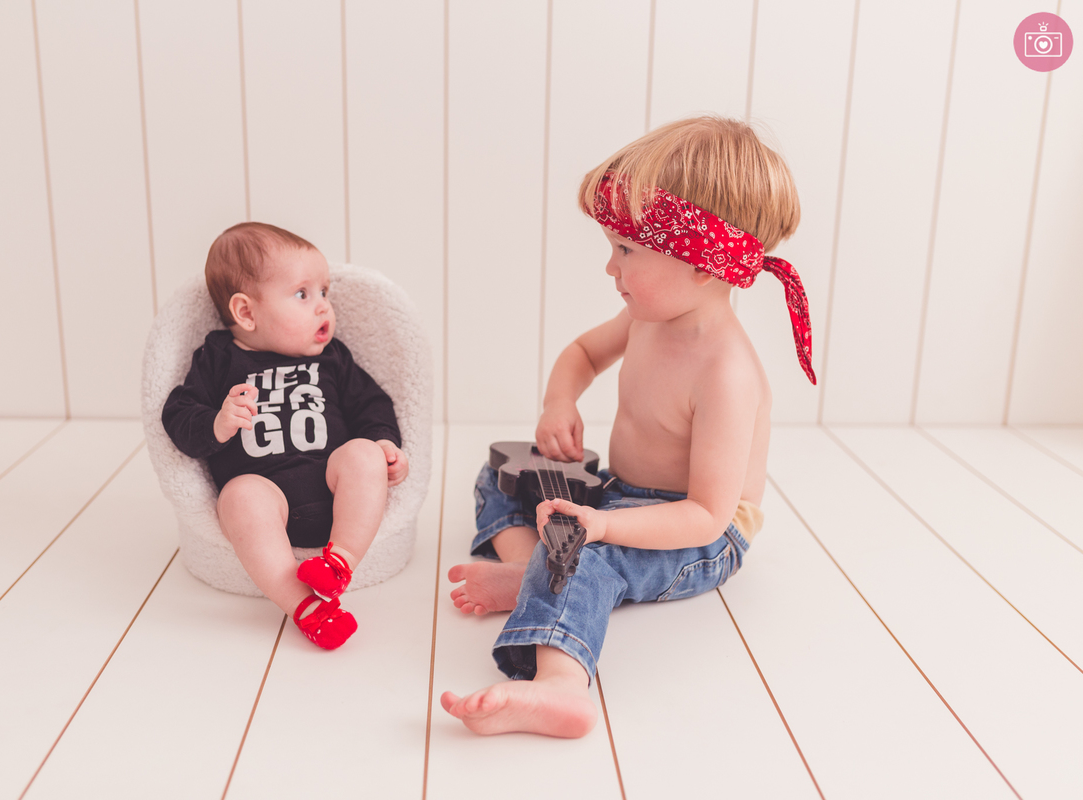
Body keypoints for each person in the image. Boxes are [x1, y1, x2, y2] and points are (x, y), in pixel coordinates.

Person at [441, 116, 814, 737]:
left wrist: (606, 526)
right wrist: (559, 402)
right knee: (504, 473)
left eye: (626, 251)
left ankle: (561, 686)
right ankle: (537, 569)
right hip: (621, 493)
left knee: (590, 554)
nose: (610, 269)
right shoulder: (648, 318)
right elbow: (582, 355)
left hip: (696, 534)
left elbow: (707, 515)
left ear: (702, 264)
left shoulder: (726, 372)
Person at [162, 222, 408, 650]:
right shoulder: (218, 357)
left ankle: (339, 563)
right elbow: (177, 416)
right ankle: (307, 608)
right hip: (266, 500)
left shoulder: (332, 358)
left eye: (325, 293)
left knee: (362, 454)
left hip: (335, 492)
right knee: (238, 496)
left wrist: (384, 444)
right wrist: (218, 422)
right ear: (246, 312)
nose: (323, 308)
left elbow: (372, 404)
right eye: (302, 294)